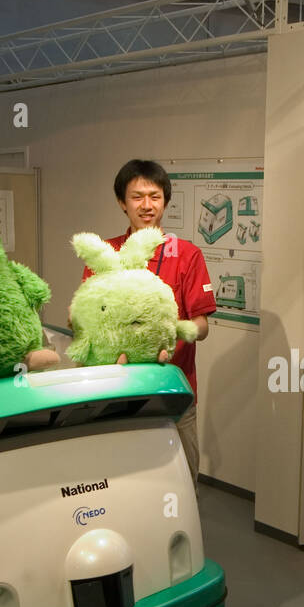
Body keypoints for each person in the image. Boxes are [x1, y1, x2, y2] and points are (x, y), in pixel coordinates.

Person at [84, 160, 215, 483]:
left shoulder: (186, 255)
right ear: (121, 203)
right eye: (137, 197)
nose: (146, 205)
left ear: (166, 201)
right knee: (122, 482)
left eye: (154, 196)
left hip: (172, 390)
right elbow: (87, 317)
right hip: (116, 391)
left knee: (181, 481)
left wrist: (169, 333)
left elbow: (202, 326)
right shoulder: (106, 253)